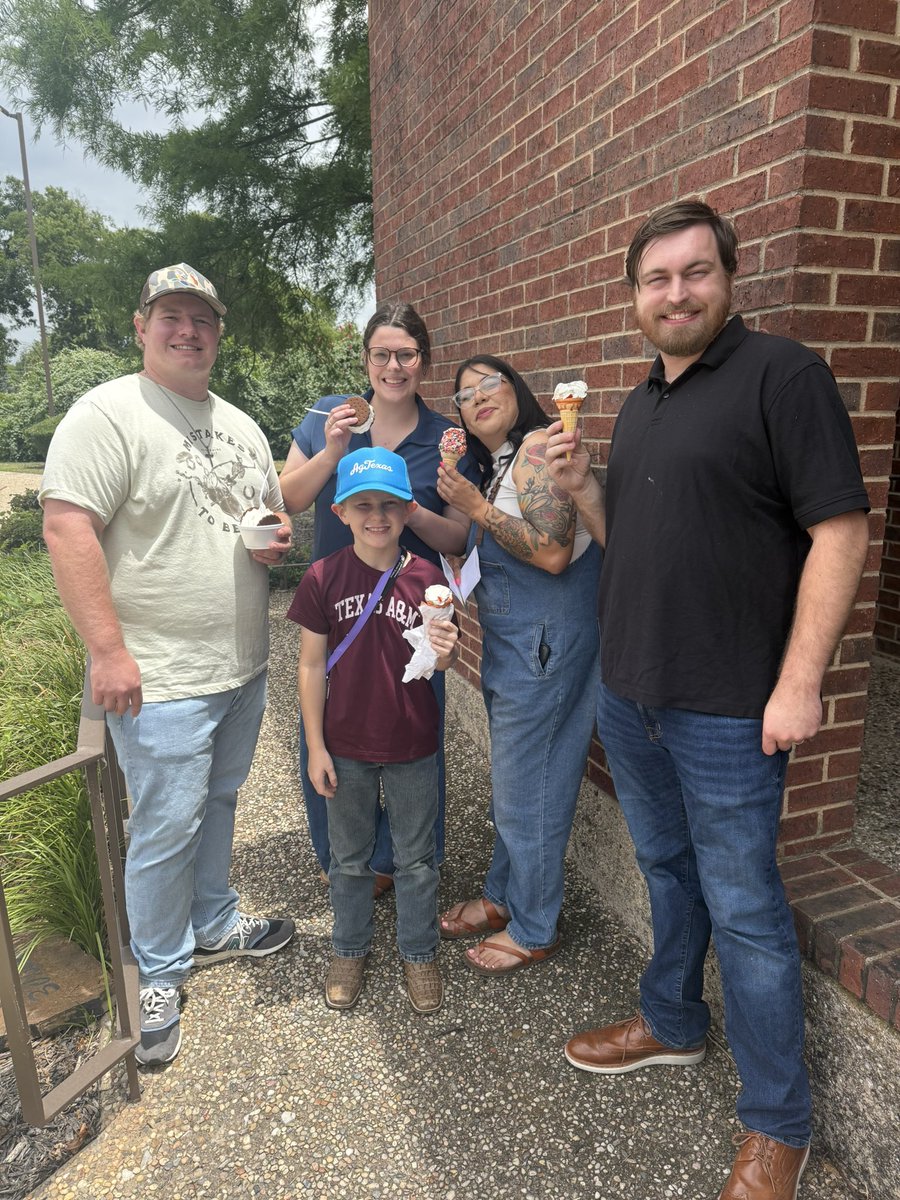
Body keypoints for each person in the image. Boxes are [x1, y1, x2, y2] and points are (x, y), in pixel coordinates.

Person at [545, 201, 870, 1200]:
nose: (675, 293)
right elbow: (630, 541)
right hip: (633, 693)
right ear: (633, 294)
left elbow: (841, 532)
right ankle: (674, 1025)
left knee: (749, 912)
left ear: (729, 278)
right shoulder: (642, 401)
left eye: (695, 273)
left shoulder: (784, 376)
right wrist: (583, 488)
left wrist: (800, 682)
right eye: (657, 279)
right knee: (666, 871)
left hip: (731, 708)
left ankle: (779, 1123)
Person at [40, 263, 296, 1068]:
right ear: (142, 324)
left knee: (218, 801)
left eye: (203, 319)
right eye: (171, 317)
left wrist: (276, 535)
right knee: (162, 827)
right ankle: (159, 971)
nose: (188, 331)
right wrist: (108, 653)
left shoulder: (241, 424)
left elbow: (261, 512)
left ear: (219, 332)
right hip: (157, 678)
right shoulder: (108, 413)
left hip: (241, 665)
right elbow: (66, 528)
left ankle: (215, 923)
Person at [279, 302, 478, 889]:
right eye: (382, 354)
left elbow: (459, 537)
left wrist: (413, 509)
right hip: (334, 604)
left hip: (408, 610)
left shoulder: (446, 439)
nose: (395, 366)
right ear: (366, 360)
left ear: (424, 361)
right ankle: (345, 854)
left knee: (414, 726)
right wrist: (332, 453)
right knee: (326, 726)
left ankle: (399, 860)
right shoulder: (326, 419)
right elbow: (288, 499)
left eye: (407, 354)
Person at [434, 356, 601, 974]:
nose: (477, 398)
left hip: (543, 646)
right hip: (518, 648)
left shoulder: (537, 448)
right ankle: (505, 897)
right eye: (464, 395)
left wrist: (476, 508)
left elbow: (556, 554)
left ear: (518, 390)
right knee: (518, 783)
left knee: (528, 791)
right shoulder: (506, 457)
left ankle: (535, 925)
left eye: (489, 385)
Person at [287, 447, 459, 1013]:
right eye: (363, 505)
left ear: (409, 509)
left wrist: (448, 650)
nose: (377, 516)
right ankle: (348, 947)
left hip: (413, 742)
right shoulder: (323, 577)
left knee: (415, 860)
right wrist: (314, 746)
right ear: (339, 512)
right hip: (346, 744)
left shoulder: (429, 580)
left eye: (389, 504)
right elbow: (311, 665)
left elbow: (438, 663)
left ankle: (418, 952)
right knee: (349, 857)